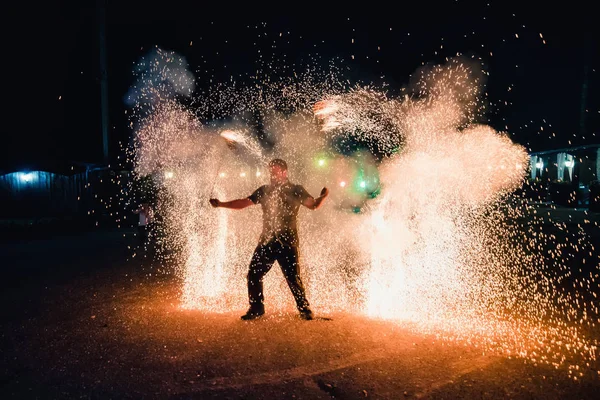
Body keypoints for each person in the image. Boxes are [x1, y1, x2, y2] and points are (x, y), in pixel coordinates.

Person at [210, 159, 329, 320]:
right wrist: (221, 204)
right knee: (254, 274)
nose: (272, 174)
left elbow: (313, 205)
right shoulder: (264, 190)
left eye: (275, 171)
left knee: (293, 277)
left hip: (288, 241)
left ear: (285, 172)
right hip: (267, 241)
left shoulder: (296, 190)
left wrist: (323, 196)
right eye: (270, 171)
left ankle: (305, 309)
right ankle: (256, 308)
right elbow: (244, 203)